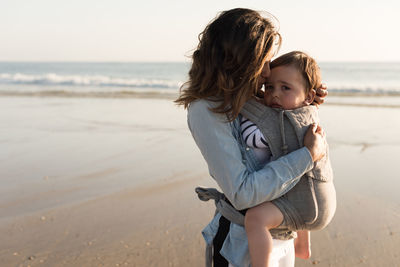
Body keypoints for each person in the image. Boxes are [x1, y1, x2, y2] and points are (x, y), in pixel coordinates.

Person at [175, 8, 328, 267]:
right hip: (241, 245)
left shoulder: (251, 97)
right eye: (263, 61)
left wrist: (305, 105)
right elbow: (243, 193)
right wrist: (307, 156)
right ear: (240, 60)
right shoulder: (206, 110)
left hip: (282, 233)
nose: (268, 72)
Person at [240, 51, 336, 267]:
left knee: (255, 219)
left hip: (308, 207)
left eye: (285, 88)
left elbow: (256, 136)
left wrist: (243, 107)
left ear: (309, 96)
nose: (274, 95)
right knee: (295, 182)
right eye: (269, 87)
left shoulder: (284, 122)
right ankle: (303, 245)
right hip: (321, 199)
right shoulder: (307, 112)